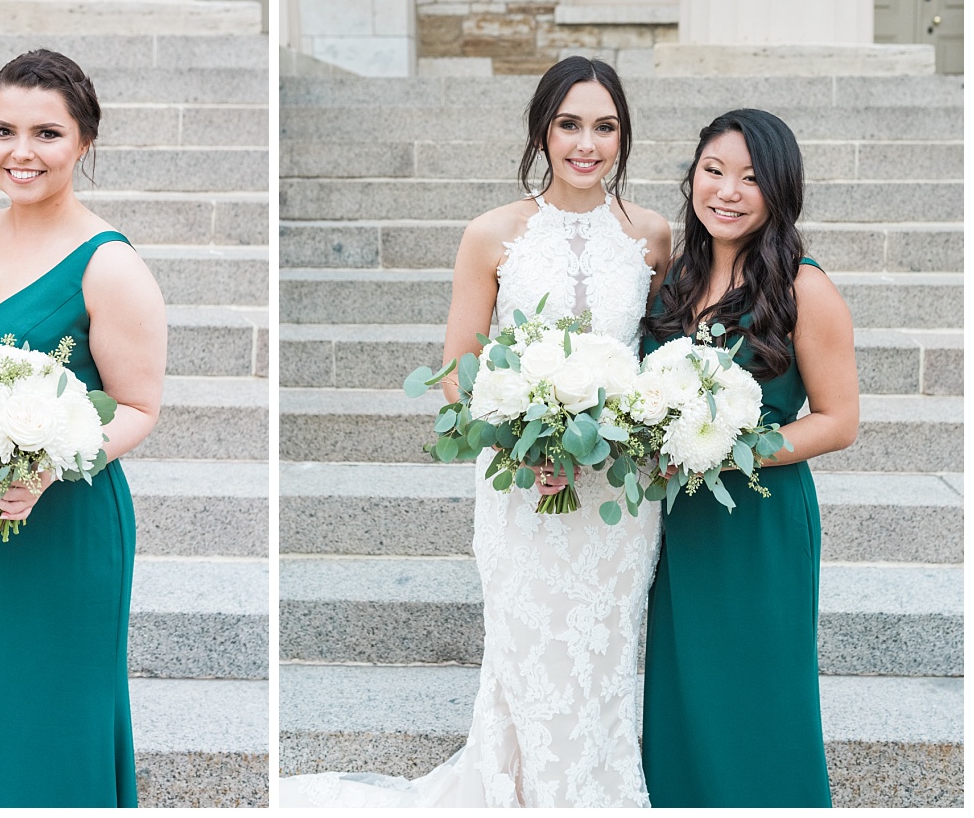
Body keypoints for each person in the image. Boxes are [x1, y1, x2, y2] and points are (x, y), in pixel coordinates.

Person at [281, 56, 673, 807]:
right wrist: (529, 442)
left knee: (603, 649)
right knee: (529, 649)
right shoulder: (492, 234)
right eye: (568, 124)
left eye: (605, 126)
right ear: (541, 131)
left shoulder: (653, 236)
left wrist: (617, 436)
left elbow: (650, 366)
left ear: (624, 136)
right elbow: (458, 370)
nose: (586, 143)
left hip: (618, 494)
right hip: (524, 485)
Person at [0, 49, 166, 807]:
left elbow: (137, 409)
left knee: (58, 717)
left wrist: (47, 467)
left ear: (83, 143)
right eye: (3, 131)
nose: (21, 153)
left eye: (47, 134)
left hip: (65, 519)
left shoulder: (110, 265)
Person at [640, 109, 858, 806]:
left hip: (760, 523)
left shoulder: (805, 286)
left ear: (779, 190)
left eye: (751, 178)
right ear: (693, 177)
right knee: (686, 696)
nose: (727, 191)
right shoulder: (673, 282)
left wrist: (735, 452)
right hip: (683, 525)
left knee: (762, 700)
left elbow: (840, 422)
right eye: (714, 171)